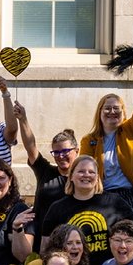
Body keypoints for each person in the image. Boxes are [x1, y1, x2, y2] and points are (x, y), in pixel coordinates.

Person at [81, 55, 133, 223]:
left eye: (116, 108)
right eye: (107, 108)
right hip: (105, 196)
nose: (112, 112)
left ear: (124, 112)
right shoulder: (89, 140)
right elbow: (84, 171)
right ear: (100, 113)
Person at [13, 100, 78, 247]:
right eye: (56, 152)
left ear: (77, 151)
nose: (60, 156)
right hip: (40, 242)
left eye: (65, 151)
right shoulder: (45, 171)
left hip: (71, 242)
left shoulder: (84, 178)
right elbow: (31, 146)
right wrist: (23, 119)